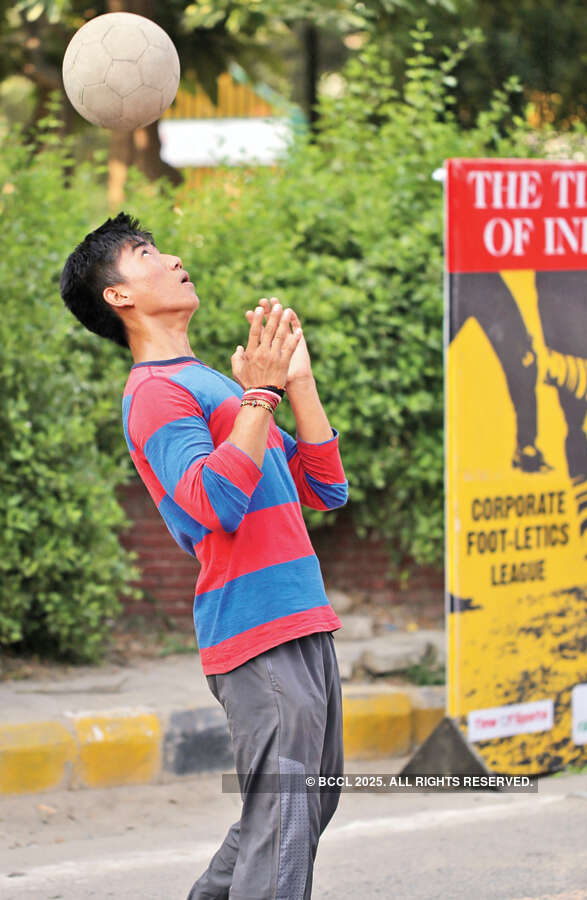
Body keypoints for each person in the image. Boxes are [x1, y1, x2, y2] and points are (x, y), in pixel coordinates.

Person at [60, 212, 348, 899]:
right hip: (254, 626)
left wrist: (295, 385)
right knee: (284, 820)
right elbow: (208, 503)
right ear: (119, 296)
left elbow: (324, 488)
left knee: (302, 806)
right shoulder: (156, 393)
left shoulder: (212, 381)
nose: (172, 257)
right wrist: (261, 394)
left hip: (301, 616)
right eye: (145, 253)